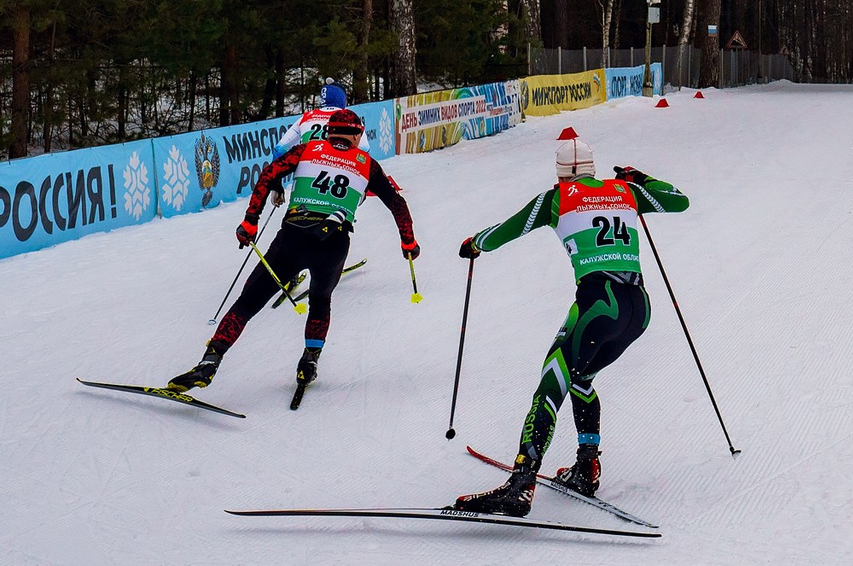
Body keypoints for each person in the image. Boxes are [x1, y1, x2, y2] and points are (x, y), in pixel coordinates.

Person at [452, 130, 692, 514]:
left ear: (561, 173)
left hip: (599, 304)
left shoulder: (556, 198)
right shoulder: (625, 190)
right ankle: (586, 467)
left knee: (553, 380)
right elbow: (679, 200)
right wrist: (639, 177)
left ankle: (521, 481)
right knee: (581, 379)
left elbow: (506, 231)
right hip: (638, 308)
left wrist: (475, 243)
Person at [167, 108, 418, 399]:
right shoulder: (367, 164)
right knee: (320, 300)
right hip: (333, 244)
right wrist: (408, 242)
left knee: (247, 303)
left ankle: (209, 362)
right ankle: (309, 361)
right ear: (357, 136)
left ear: (329, 132)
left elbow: (267, 175)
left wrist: (250, 220)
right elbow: (397, 204)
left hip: (293, 237)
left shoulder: (306, 150)